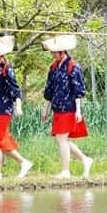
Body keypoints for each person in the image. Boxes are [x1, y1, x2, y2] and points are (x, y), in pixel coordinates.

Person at [0, 35, 33, 181]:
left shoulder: (6, 69)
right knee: (1, 141)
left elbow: (15, 89)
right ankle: (24, 162)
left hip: (2, 109)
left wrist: (18, 106)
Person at [40, 35, 93, 179]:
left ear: (62, 51)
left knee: (62, 139)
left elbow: (78, 91)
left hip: (69, 108)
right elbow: (49, 91)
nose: (52, 54)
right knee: (62, 139)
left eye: (54, 52)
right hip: (57, 108)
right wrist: (45, 110)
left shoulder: (73, 67)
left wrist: (78, 111)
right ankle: (85, 159)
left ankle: (65, 170)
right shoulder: (53, 67)